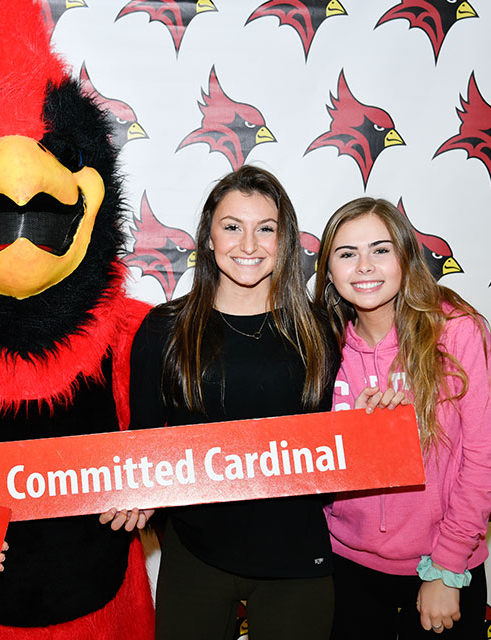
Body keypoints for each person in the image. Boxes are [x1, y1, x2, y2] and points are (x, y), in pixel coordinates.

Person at [122, 165, 340, 639]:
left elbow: (336, 445)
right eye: (232, 227)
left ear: (284, 242)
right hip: (196, 555)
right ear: (208, 238)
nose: (248, 245)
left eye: (266, 229)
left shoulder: (319, 330)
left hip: (297, 557)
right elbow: (142, 446)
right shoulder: (164, 330)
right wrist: (133, 495)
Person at [313, 197, 491, 639]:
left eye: (380, 250)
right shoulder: (320, 347)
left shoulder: (458, 332)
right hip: (346, 567)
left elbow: (485, 464)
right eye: (347, 254)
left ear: (406, 257)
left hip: (443, 566)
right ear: (329, 272)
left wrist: (446, 569)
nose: (365, 266)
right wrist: (362, 439)